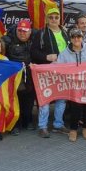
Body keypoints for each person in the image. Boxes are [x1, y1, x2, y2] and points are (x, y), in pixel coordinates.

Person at [31, 8, 70, 138]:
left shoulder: (65, 32)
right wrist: (46, 57)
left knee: (62, 98)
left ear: (60, 19)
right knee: (45, 99)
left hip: (63, 71)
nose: (54, 20)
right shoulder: (40, 33)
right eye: (51, 17)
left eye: (56, 17)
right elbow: (33, 52)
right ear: (47, 19)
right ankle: (43, 126)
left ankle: (58, 124)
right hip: (47, 71)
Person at [3, 19, 36, 136]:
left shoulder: (35, 38)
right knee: (14, 101)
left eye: (25, 31)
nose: (22, 33)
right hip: (14, 77)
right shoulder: (8, 40)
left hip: (30, 76)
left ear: (30, 31)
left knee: (29, 99)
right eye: (20, 30)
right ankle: (15, 124)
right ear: (16, 30)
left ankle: (28, 120)